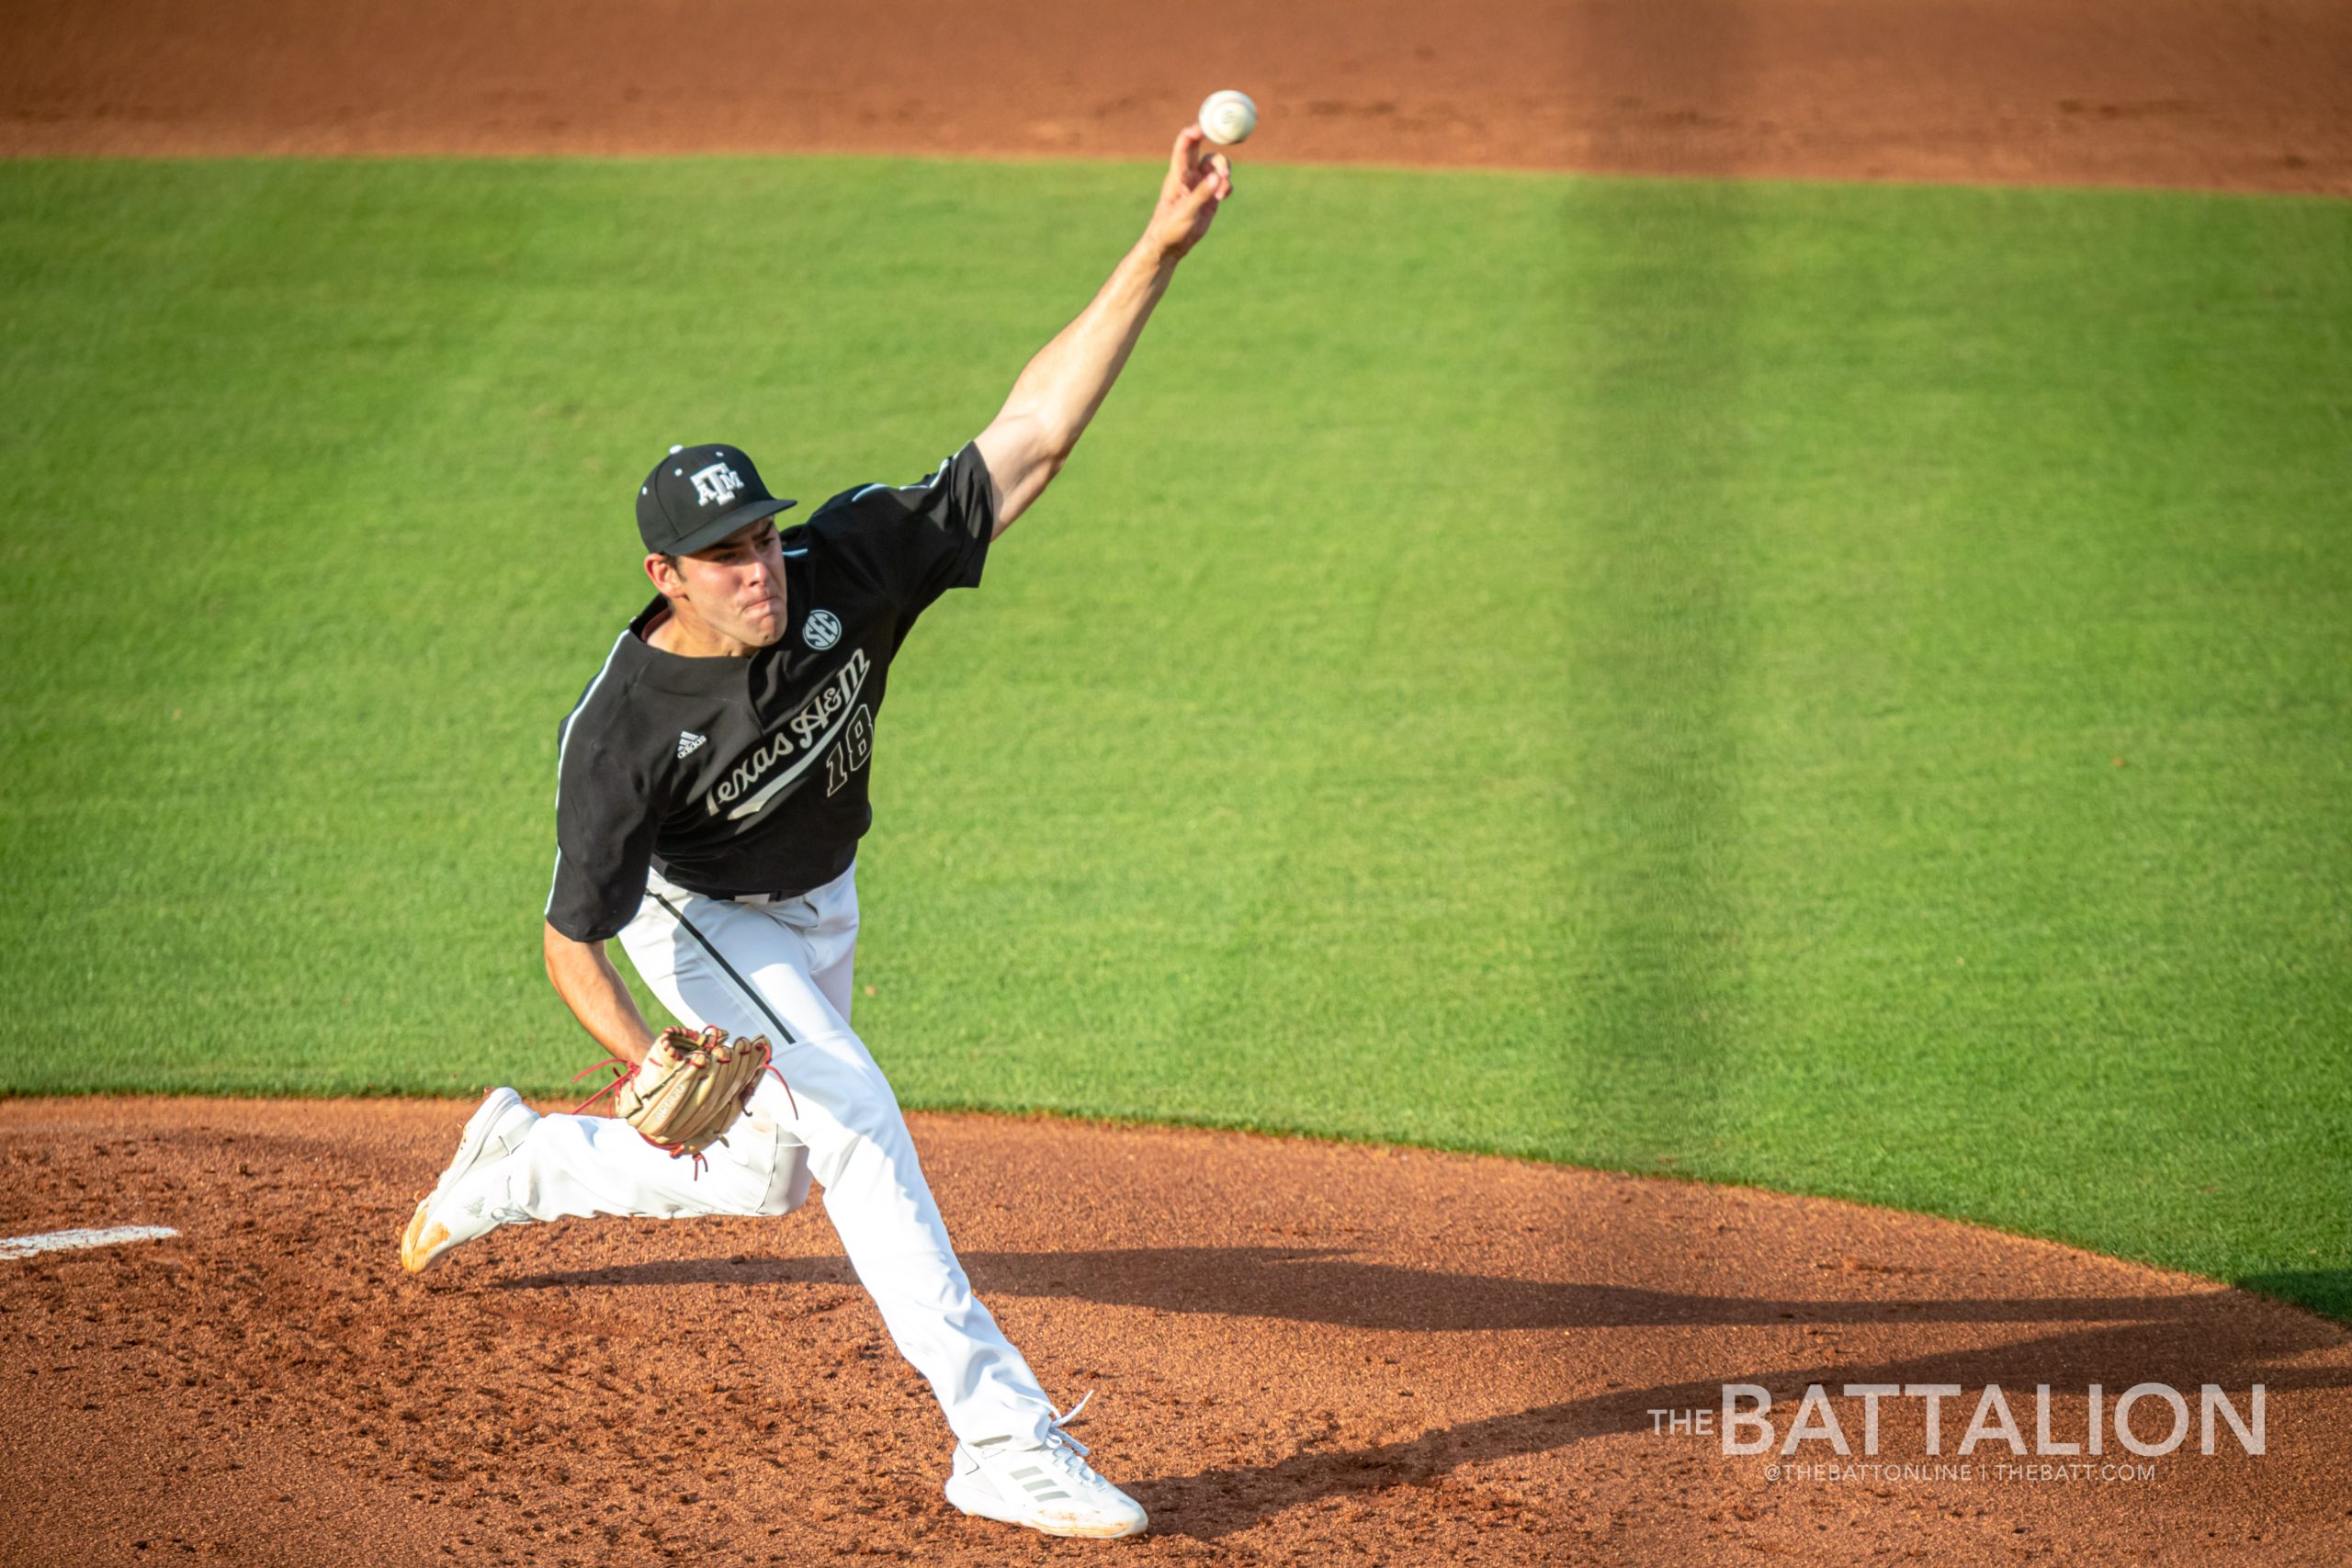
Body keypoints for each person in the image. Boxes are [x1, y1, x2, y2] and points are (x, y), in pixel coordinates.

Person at [396, 126, 1233, 1540]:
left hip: (818, 905)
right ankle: (1000, 1437)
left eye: (763, 539)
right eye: (724, 558)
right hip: (700, 923)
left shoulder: (842, 564)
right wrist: (646, 1050)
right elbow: (572, 940)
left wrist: (1155, 249)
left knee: (765, 1170)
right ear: (666, 574)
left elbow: (1028, 438)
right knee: (853, 1119)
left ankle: (524, 1163)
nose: (758, 571)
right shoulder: (622, 731)